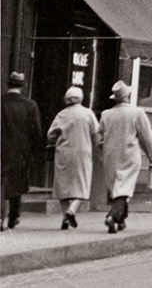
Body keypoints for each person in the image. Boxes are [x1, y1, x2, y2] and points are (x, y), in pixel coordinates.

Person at [98, 79, 152, 234]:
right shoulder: (137, 113)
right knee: (124, 189)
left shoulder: (106, 114)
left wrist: (101, 152)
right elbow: (146, 138)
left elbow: (98, 138)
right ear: (128, 97)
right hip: (130, 156)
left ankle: (121, 220)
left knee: (116, 188)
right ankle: (113, 216)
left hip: (110, 155)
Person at [47, 86, 99, 230]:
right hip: (83, 153)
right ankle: (72, 210)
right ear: (81, 99)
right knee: (81, 184)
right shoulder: (88, 114)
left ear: (67, 100)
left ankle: (65, 218)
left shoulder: (61, 115)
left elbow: (51, 135)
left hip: (64, 153)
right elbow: (96, 132)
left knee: (63, 187)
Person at [2, 72, 45, 229]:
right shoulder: (30, 105)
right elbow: (37, 132)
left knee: (2, 183)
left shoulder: (1, 103)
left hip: (2, 149)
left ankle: (0, 218)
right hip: (21, 151)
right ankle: (13, 216)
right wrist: (33, 151)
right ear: (23, 86)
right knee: (17, 182)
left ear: (8, 84)